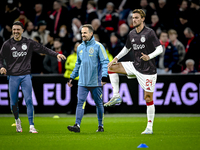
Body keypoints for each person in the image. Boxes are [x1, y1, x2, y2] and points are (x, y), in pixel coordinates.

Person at [104, 9, 163, 134]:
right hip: (135, 66)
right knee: (111, 67)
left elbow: (160, 49)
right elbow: (126, 48)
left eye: (136, 17)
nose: (134, 20)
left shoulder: (149, 32)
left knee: (148, 99)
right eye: (133, 17)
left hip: (148, 71)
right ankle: (116, 96)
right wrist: (116, 58)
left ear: (143, 19)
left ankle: (149, 128)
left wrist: (149, 57)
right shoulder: (131, 34)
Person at [0, 21, 66, 133]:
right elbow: (1, 58)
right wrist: (2, 67)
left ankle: (31, 126)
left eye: (18, 29)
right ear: (12, 30)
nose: (16, 31)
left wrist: (56, 54)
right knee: (13, 103)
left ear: (22, 31)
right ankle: (17, 120)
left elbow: (43, 49)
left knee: (29, 100)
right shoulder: (7, 44)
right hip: (13, 76)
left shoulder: (28, 42)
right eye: (14, 29)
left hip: (26, 75)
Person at [67, 24, 109, 133]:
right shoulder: (80, 47)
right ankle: (77, 125)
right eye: (81, 33)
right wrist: (72, 77)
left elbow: (105, 62)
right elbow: (78, 64)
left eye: (85, 33)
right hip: (82, 82)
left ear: (91, 33)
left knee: (99, 103)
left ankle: (100, 126)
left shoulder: (98, 46)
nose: (82, 35)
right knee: (80, 103)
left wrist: (104, 76)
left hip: (96, 82)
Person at [64, 42, 80, 114]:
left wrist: (72, 66)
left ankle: (80, 111)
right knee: (72, 95)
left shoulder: (84, 57)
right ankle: (72, 110)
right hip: (72, 79)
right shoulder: (70, 57)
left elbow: (83, 66)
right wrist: (76, 66)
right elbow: (66, 66)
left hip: (80, 79)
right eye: (76, 47)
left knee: (80, 96)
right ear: (74, 48)